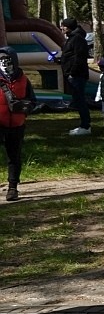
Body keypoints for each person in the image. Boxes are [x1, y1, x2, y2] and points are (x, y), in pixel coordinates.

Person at [0, 46, 36, 201]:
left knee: (14, 156)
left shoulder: (24, 79)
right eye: (0, 60)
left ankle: (13, 187)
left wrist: (25, 109)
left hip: (17, 125)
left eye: (7, 60)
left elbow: (32, 100)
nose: (4, 63)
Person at [59, 18, 91, 136]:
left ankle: (85, 126)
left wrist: (72, 72)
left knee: (80, 100)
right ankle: (84, 125)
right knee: (78, 100)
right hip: (73, 74)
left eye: (63, 26)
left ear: (68, 27)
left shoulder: (77, 39)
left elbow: (79, 58)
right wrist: (60, 60)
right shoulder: (72, 38)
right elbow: (70, 55)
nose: (61, 28)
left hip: (77, 75)